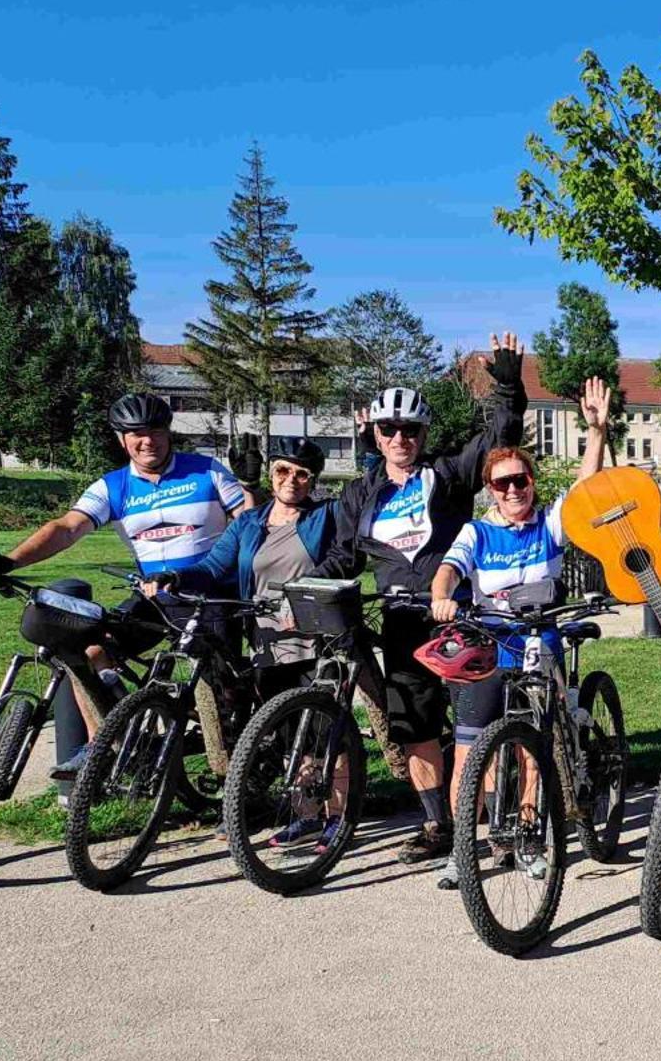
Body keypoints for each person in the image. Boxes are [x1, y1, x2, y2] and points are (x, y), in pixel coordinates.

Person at [314, 331, 527, 865]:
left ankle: (497, 824)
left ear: (422, 432)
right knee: (414, 727)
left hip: (454, 617)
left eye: (409, 429)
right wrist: (309, 587)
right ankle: (438, 823)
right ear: (376, 435)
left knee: (475, 724)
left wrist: (506, 385)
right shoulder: (362, 494)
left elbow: (499, 437)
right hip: (400, 621)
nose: (400, 437)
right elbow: (343, 556)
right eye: (390, 429)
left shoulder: (447, 475)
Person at [0, 392, 249, 777]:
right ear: (122, 439)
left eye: (155, 431)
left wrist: (249, 485)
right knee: (91, 650)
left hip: (210, 597)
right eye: (136, 433)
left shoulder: (207, 471)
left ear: (168, 433)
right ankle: (106, 744)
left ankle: (234, 782)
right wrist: (10, 560)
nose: (147, 440)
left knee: (221, 700)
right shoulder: (113, 487)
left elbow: (249, 519)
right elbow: (66, 528)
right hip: (153, 598)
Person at [424, 377, 612, 888]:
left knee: (533, 749)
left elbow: (583, 489)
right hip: (490, 647)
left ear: (531, 483)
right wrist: (442, 595)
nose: (512, 490)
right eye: (502, 483)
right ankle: (469, 846)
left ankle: (529, 835)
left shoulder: (550, 524)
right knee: (469, 753)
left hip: (539, 646)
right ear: (491, 489)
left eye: (520, 481)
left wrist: (595, 432)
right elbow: (450, 568)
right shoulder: (477, 532)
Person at [150, 438, 351, 851]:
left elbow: (345, 558)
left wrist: (302, 592)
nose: (291, 480)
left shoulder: (325, 516)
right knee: (289, 735)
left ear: (313, 479)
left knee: (326, 733)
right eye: (282, 471)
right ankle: (306, 816)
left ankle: (339, 816)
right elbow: (212, 566)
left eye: (301, 474)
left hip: (318, 640)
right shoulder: (249, 523)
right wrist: (177, 578)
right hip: (268, 642)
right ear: (271, 474)